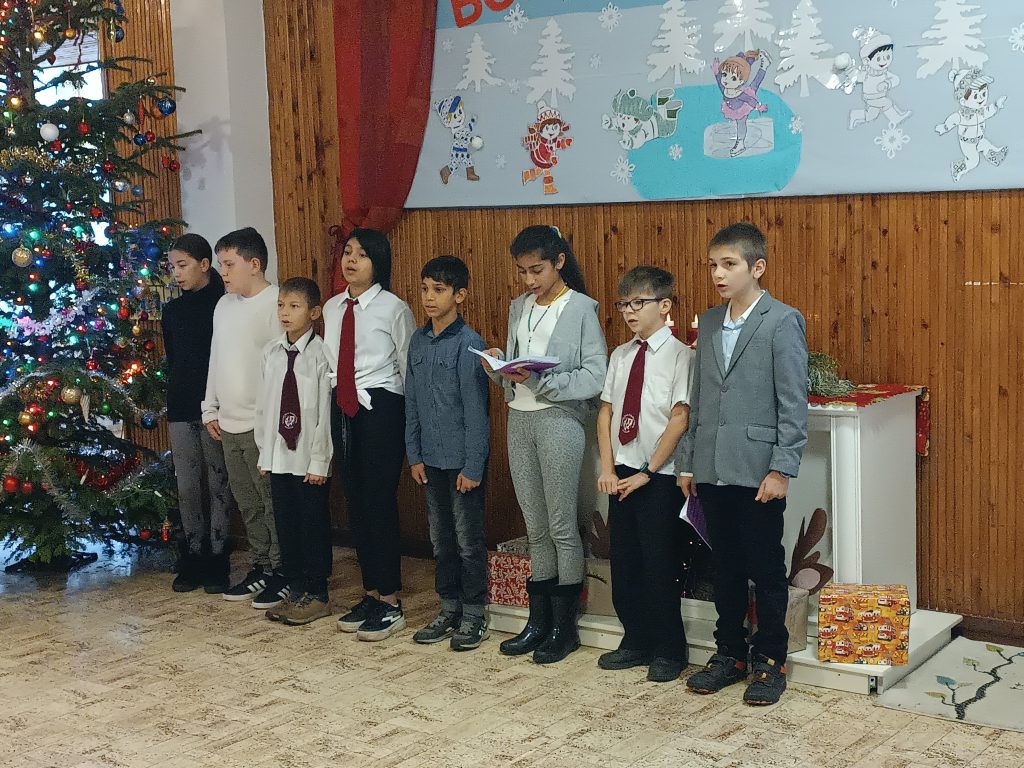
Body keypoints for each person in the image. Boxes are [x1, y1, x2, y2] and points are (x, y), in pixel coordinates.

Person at [679, 222, 808, 705]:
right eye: (713, 265)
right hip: (712, 466)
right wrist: (688, 462)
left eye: (728, 264)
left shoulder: (782, 320)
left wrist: (781, 468)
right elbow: (699, 398)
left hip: (758, 471)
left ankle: (770, 659)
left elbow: (792, 402)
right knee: (725, 566)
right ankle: (729, 653)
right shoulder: (711, 321)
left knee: (766, 567)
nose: (718, 273)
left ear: (757, 267)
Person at [481, 225, 607, 664]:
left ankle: (563, 628)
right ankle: (539, 622)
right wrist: (498, 367)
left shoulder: (581, 309)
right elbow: (517, 373)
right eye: (522, 271)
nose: (529, 279)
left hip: (559, 419)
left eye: (536, 269)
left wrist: (543, 382)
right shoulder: (519, 306)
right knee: (534, 527)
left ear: (559, 262)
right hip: (520, 418)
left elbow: (595, 375)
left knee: (560, 526)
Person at [596, 266, 693, 683]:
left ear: (665, 305)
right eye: (624, 304)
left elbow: (679, 418)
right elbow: (606, 413)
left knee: (659, 563)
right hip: (620, 471)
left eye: (639, 302)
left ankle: (670, 648)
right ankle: (635, 639)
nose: (630, 311)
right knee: (625, 562)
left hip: (659, 475)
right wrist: (606, 466)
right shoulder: (620, 355)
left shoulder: (681, 356)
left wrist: (648, 471)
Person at [323, 228, 416, 641]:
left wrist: (412, 426)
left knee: (378, 501)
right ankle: (371, 592)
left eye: (361, 254)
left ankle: (391, 600)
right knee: (355, 501)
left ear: (378, 262)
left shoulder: (393, 308)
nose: (351, 260)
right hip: (342, 405)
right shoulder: (332, 307)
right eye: (348, 252)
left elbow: (407, 366)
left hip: (382, 406)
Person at [405, 256, 491, 650]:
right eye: (425, 289)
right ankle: (448, 608)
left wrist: (474, 464)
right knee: (440, 541)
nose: (429, 297)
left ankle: (473, 614)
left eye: (438, 290)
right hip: (430, 461)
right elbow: (412, 402)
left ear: (460, 295)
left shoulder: (469, 343)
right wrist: (414, 454)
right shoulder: (418, 340)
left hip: (461, 464)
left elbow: (476, 411)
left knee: (468, 542)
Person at [201, 227, 288, 609]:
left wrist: (275, 421)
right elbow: (216, 357)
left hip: (262, 424)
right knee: (247, 502)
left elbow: (283, 367)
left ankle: (282, 570)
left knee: (270, 501)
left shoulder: (276, 303)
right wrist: (210, 405)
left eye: (229, 264)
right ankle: (261, 565)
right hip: (229, 422)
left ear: (254, 264)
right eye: (221, 264)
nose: (223, 272)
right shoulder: (223, 305)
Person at [255, 277, 334, 625]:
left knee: (311, 525)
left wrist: (320, 460)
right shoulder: (271, 353)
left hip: (307, 459)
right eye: (281, 306)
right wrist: (264, 453)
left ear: (314, 312)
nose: (285, 313)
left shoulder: (320, 354)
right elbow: (265, 408)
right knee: (286, 525)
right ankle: (297, 589)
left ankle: (318, 593)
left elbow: (324, 413)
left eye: (294, 306)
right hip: (278, 456)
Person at [162, 233, 234, 594]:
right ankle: (192, 555)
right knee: (187, 486)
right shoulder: (172, 310)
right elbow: (174, 359)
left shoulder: (224, 305)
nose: (176, 273)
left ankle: (219, 559)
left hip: (216, 406)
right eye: (172, 266)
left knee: (219, 483)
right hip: (181, 406)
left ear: (205, 265)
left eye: (183, 265)